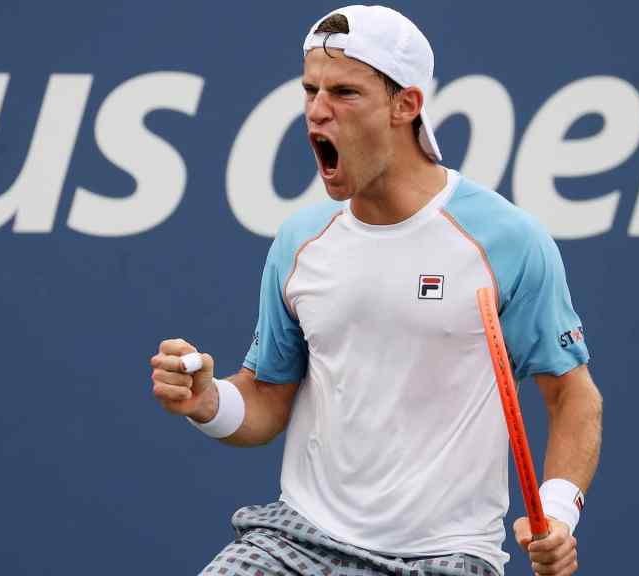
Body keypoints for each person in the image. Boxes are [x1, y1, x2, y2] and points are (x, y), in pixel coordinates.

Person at [150, 6, 602, 575]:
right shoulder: (300, 242)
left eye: (344, 92)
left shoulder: (507, 241)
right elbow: (267, 398)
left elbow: (573, 397)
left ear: (405, 105)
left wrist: (559, 513)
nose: (317, 111)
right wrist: (209, 402)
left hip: (447, 558)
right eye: (310, 90)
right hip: (298, 542)